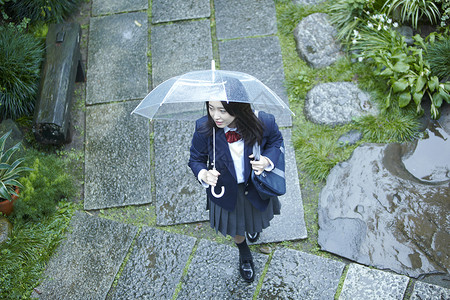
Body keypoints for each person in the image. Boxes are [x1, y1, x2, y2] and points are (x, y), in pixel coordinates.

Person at [188, 77, 283, 283]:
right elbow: (195, 159)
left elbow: (276, 141)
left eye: (222, 110)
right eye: (211, 108)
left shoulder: (262, 122)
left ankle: (252, 231)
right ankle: (243, 251)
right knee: (236, 228)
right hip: (226, 191)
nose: (216, 116)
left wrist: (267, 160)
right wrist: (203, 174)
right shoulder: (205, 129)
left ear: (238, 108)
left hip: (255, 186)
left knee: (254, 222)